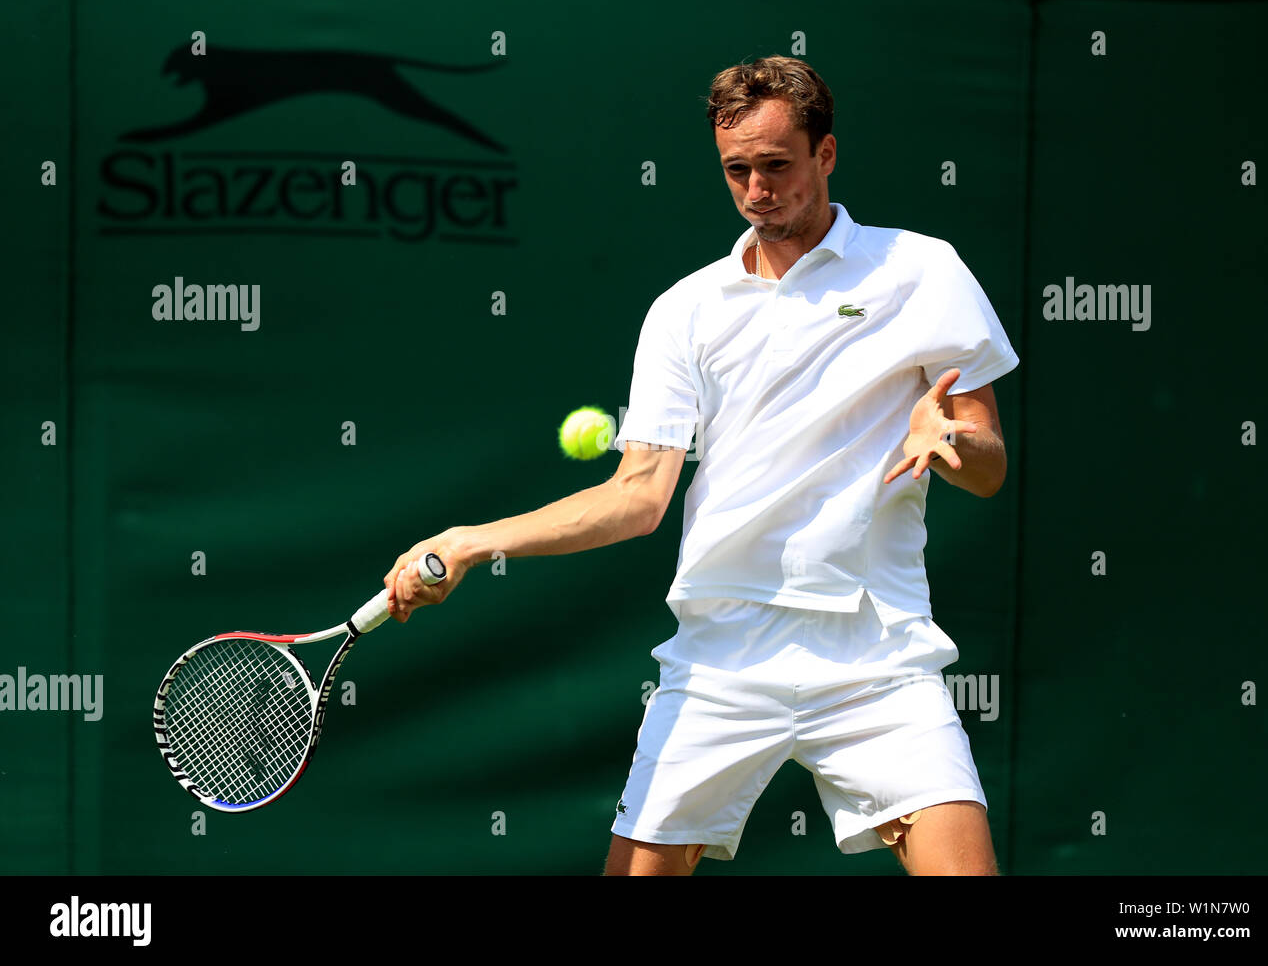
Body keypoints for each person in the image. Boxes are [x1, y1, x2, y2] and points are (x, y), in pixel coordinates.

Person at [383, 55, 1018, 876]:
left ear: (826, 155)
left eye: (778, 165)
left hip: (877, 652)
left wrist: (956, 444)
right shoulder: (685, 311)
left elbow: (989, 464)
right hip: (722, 655)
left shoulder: (921, 270)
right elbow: (638, 496)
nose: (758, 189)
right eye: (737, 170)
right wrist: (471, 540)